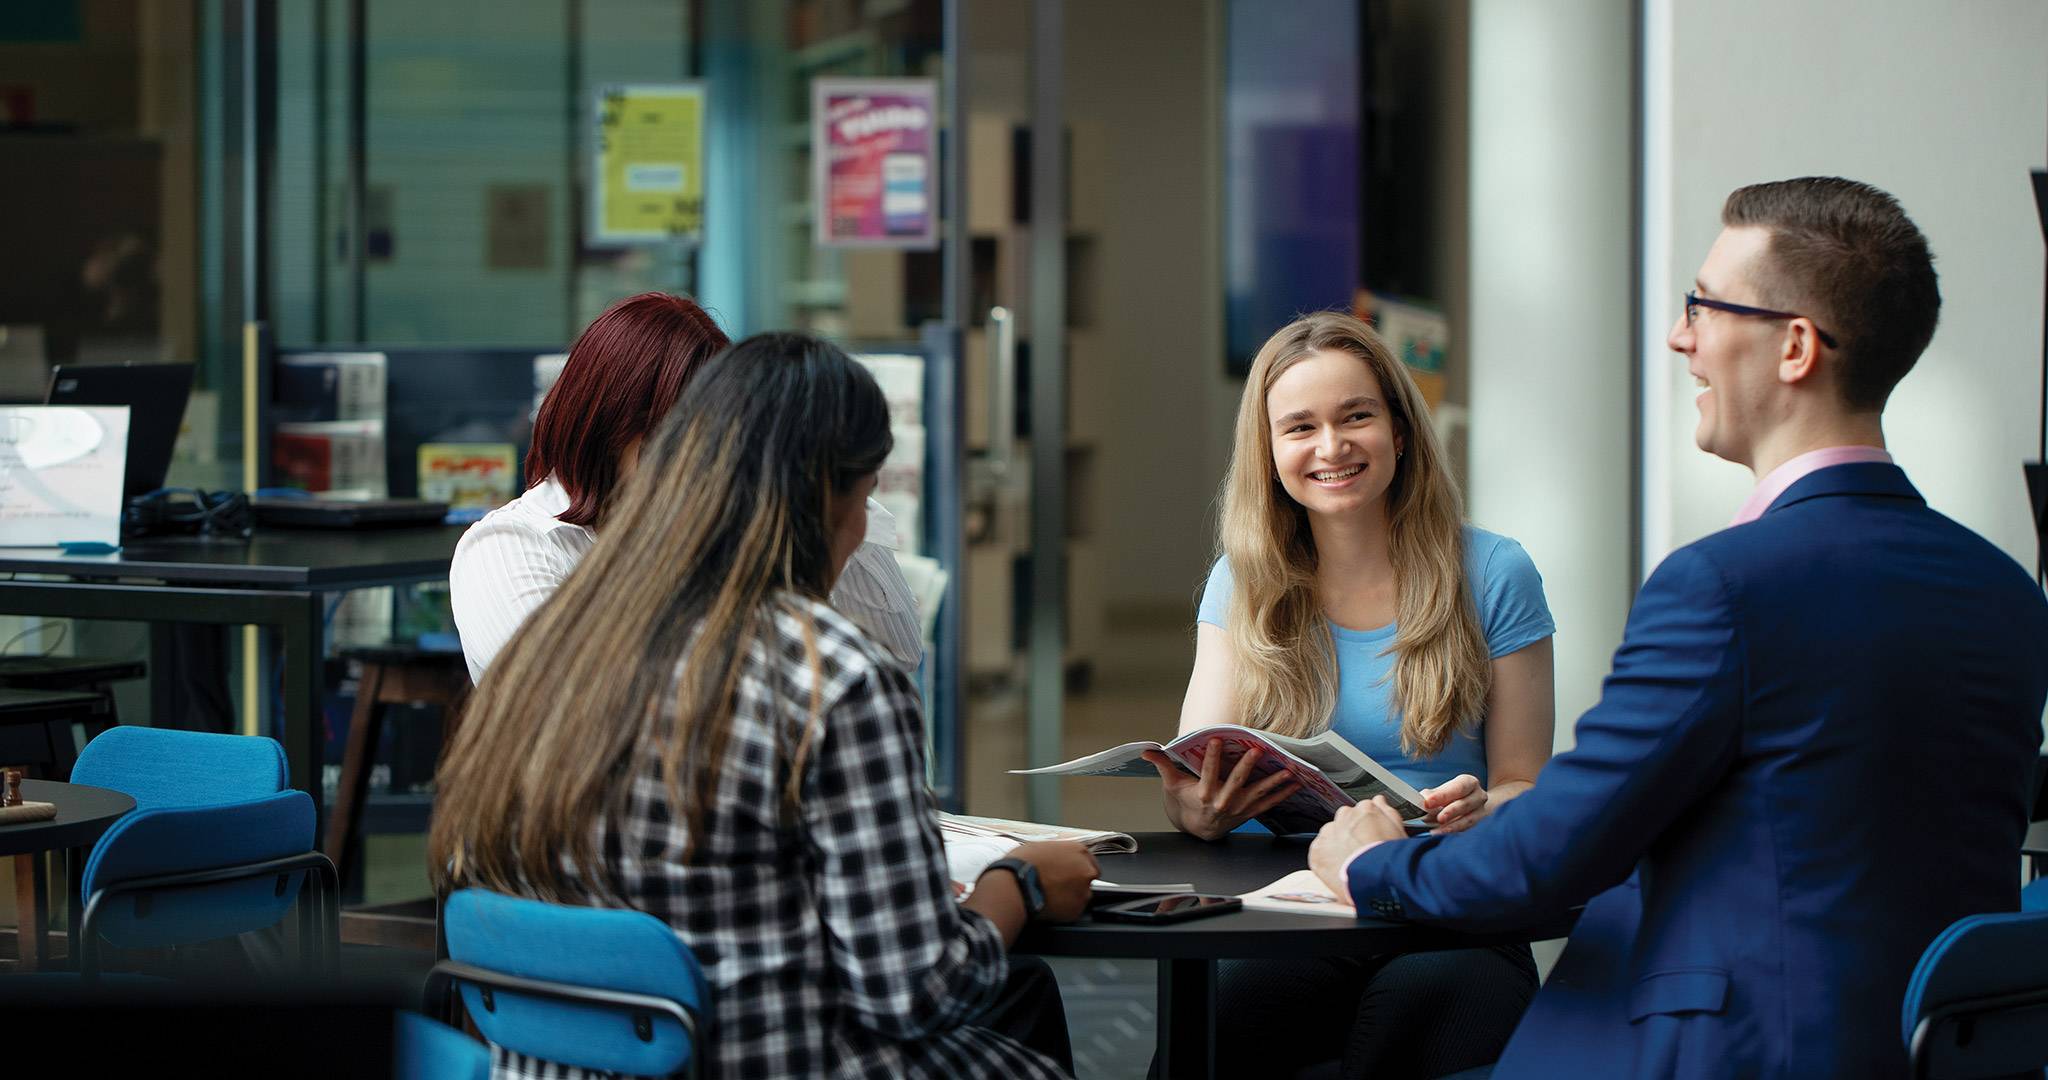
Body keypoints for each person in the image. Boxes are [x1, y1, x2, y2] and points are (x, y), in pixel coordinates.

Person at [1313, 177, 2048, 1079]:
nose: (1679, 336)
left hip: (1722, 1054)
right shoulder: (2007, 592)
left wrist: (1374, 865)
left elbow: (1553, 861)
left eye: (1703, 305)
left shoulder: (1722, 588)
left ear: (1796, 348)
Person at [429, 332, 1097, 1079]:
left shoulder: (567, 640)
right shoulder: (833, 680)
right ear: (830, 498)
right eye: (868, 496)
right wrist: (1022, 882)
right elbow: (917, 992)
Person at [1148, 311, 1558, 1078]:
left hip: (1445, 906)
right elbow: (1192, 775)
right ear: (1269, 454)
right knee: (1225, 1025)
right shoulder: (1241, 584)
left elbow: (1528, 787)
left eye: (1356, 417)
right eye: (1299, 427)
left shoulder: (1496, 572)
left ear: (1399, 432)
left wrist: (1483, 807)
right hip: (1286, 906)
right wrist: (1194, 811)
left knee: (1423, 1008)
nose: (1331, 447)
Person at [449, 292, 922, 686]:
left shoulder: (728, 525)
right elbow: (570, 701)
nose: (692, 462)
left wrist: (827, 494)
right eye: (670, 435)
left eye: (713, 437)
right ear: (602, 424)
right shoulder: (511, 546)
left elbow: (893, 663)